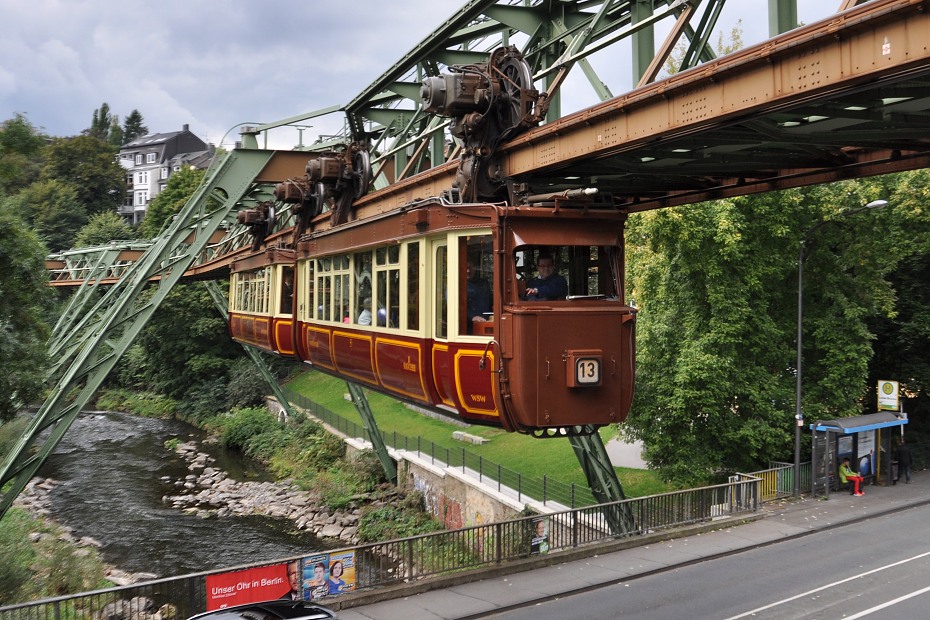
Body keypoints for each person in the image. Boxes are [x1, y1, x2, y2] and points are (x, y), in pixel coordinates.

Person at [466, 261, 492, 332]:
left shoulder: (484, 284)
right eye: (465, 268)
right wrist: (472, 317)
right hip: (466, 330)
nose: (468, 271)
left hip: (487, 324)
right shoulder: (455, 285)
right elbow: (453, 309)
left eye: (470, 268)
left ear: (474, 268)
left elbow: (491, 302)